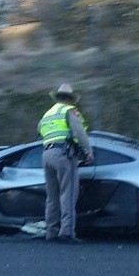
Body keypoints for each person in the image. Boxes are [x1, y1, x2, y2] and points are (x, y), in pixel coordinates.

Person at [38, 83, 94, 244]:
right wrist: (87, 151)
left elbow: (39, 130)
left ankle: (51, 232)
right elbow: (79, 132)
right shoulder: (69, 111)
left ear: (57, 98)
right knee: (68, 194)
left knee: (52, 196)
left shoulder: (47, 114)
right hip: (63, 154)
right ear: (70, 99)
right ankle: (67, 232)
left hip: (46, 154)